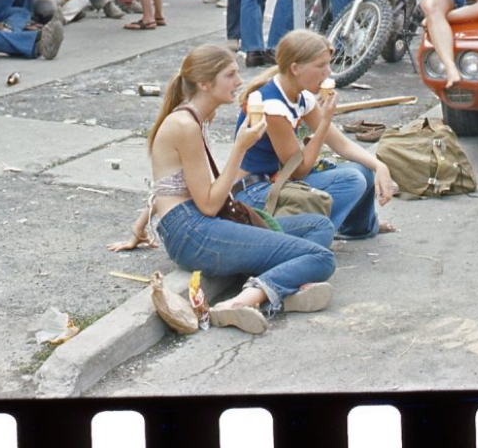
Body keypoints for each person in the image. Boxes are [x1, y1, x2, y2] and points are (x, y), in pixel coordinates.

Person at [108, 44, 337, 335]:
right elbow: (208, 205)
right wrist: (240, 148)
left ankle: (282, 289)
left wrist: (138, 228)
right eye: (230, 75)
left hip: (192, 225)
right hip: (192, 231)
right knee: (322, 258)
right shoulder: (185, 125)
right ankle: (240, 302)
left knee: (319, 226)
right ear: (204, 83)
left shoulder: (196, 117)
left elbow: (166, 184)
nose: (239, 82)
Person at [233, 30, 396, 240]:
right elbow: (299, 170)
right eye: (320, 66)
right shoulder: (272, 106)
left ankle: (359, 228)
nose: (328, 72)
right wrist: (325, 122)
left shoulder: (300, 95)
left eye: (328, 64)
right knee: (351, 180)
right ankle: (312, 234)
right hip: (255, 192)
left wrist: (379, 166)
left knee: (363, 170)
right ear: (295, 68)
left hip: (277, 180)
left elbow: (341, 144)